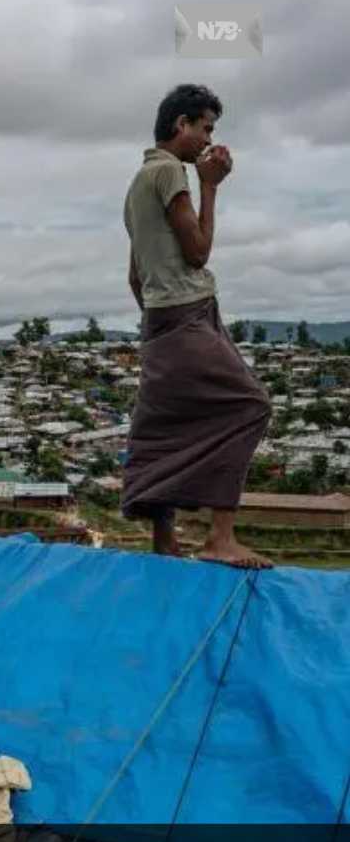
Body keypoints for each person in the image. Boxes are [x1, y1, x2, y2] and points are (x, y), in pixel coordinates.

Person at [121, 84, 273, 569]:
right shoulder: (170, 172)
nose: (208, 140)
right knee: (249, 405)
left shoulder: (138, 182)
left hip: (159, 318)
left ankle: (164, 539)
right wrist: (210, 185)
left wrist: (158, 323)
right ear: (180, 125)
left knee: (168, 423)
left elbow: (135, 274)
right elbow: (199, 251)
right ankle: (220, 539)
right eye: (205, 128)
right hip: (187, 312)